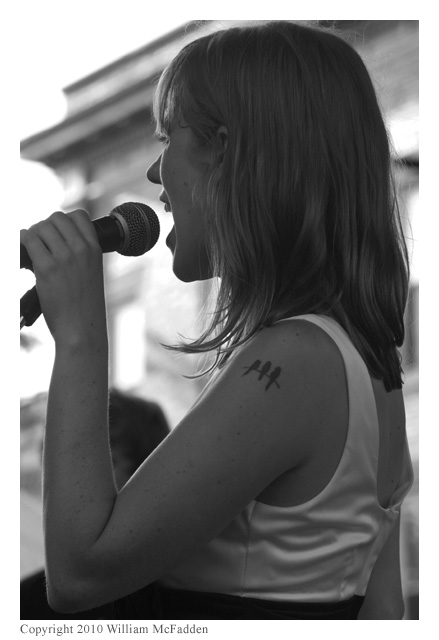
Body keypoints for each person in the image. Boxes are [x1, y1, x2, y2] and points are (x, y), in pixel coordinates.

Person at [20, 21, 413, 620]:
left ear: (226, 152)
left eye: (167, 139)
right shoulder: (369, 366)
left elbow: (78, 577)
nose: (155, 175)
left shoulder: (293, 360)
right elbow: (383, 613)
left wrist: (78, 338)